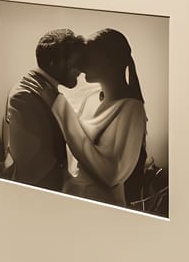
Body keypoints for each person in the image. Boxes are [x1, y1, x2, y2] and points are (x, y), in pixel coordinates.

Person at [52, 28, 148, 208]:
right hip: (69, 200)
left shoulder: (132, 110)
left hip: (100, 209)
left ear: (109, 60)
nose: (81, 64)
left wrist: (62, 111)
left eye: (88, 56)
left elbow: (111, 174)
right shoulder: (89, 99)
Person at [2, 29, 83, 191]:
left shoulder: (42, 90)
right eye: (74, 62)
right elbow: (34, 168)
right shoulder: (24, 96)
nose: (80, 70)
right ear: (54, 63)